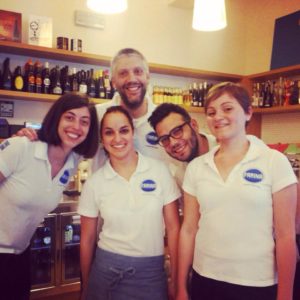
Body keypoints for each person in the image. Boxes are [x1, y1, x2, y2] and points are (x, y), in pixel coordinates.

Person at [176, 82, 298, 300]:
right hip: (205, 278)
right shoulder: (197, 167)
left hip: (256, 283)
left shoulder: (273, 161)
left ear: (248, 112)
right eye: (211, 112)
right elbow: (189, 230)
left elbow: (285, 235)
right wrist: (181, 286)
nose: (218, 116)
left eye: (228, 108)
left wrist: (286, 295)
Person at [0, 93, 99, 300]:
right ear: (57, 118)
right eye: (69, 117)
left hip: (19, 254)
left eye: (84, 122)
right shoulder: (22, 146)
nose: (76, 126)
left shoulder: (72, 161)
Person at [78, 106, 181, 300]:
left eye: (123, 130)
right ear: (102, 138)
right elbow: (87, 239)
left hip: (151, 274)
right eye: (109, 132)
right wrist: (85, 287)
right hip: (105, 272)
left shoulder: (160, 171)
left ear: (133, 132)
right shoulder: (94, 182)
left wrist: (175, 279)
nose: (117, 139)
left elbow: (174, 229)